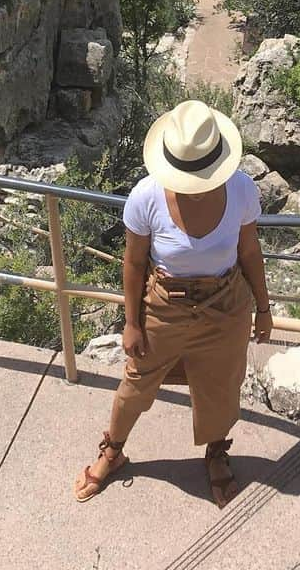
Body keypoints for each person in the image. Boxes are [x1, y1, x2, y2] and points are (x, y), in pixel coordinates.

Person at [74, 100, 273, 508]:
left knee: (221, 384)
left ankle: (217, 453)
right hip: (165, 303)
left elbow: (250, 253)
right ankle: (112, 451)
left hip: (226, 302)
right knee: (136, 382)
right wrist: (131, 322)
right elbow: (133, 263)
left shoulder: (240, 189)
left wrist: (265, 308)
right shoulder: (146, 196)